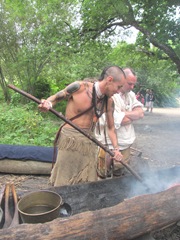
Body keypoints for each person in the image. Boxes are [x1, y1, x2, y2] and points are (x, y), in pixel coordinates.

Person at [38, 65, 126, 187]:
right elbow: (54, 98)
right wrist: (47, 104)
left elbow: (111, 128)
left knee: (86, 181)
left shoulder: (109, 102)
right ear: (109, 80)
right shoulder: (79, 87)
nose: (119, 91)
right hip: (70, 141)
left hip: (89, 143)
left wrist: (116, 149)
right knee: (64, 180)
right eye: (119, 86)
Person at [96, 68, 144, 178]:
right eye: (130, 84)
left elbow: (141, 113)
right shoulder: (110, 95)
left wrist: (124, 113)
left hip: (126, 141)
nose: (132, 87)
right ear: (122, 80)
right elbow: (119, 120)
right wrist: (132, 115)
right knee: (102, 174)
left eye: (133, 85)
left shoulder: (130, 95)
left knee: (120, 174)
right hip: (108, 143)